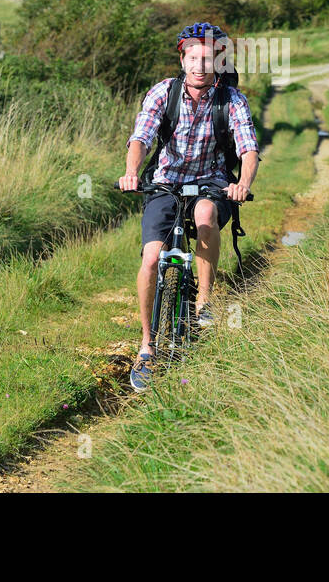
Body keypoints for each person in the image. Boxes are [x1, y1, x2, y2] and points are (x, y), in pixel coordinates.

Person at [119, 22, 259, 392]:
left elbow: (248, 148)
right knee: (151, 259)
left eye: (208, 59)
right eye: (193, 58)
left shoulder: (232, 100)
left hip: (212, 182)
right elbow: (141, 137)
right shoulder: (165, 93)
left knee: (205, 215)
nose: (200, 66)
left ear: (219, 63)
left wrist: (243, 183)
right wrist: (132, 172)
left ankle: (204, 300)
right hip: (164, 182)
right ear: (182, 59)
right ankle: (147, 346)